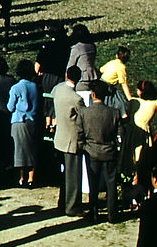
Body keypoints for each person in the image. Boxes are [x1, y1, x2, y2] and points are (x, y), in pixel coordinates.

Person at [77, 80, 122, 224]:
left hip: (92, 151)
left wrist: (83, 146)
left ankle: (94, 212)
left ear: (93, 94)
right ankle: (113, 214)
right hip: (109, 151)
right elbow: (120, 133)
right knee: (111, 183)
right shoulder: (114, 112)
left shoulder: (84, 112)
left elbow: (79, 133)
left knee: (93, 184)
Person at [50, 66, 85, 217]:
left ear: (66, 75)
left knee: (64, 175)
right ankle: (72, 206)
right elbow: (83, 118)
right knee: (73, 176)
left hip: (60, 137)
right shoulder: (77, 99)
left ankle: (62, 202)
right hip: (72, 139)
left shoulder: (58, 89)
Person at [7, 59, 40, 188]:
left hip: (18, 120)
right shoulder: (35, 87)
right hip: (32, 120)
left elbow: (10, 107)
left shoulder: (16, 87)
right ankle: (31, 178)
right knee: (32, 150)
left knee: (19, 151)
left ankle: (21, 178)